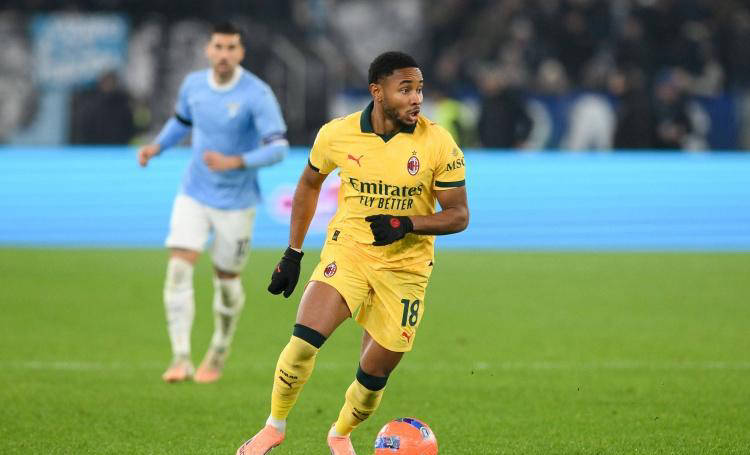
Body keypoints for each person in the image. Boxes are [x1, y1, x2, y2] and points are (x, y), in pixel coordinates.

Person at [235, 51, 469, 455]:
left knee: (374, 376)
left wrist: (405, 224)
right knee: (303, 342)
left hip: (407, 269)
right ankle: (273, 426)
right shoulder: (337, 134)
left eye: (419, 89)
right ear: (377, 92)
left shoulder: (438, 143)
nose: (416, 98)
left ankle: (340, 433)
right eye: (405, 89)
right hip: (349, 253)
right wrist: (293, 253)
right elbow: (309, 184)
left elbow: (459, 215)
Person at [137, 21, 288, 384]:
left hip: (236, 201)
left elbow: (278, 148)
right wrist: (157, 147)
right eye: (218, 47)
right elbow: (181, 121)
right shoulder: (193, 85)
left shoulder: (257, 93)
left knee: (227, 281)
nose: (224, 54)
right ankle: (180, 357)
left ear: (241, 52)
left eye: (231, 47)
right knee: (178, 267)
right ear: (208, 50)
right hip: (194, 191)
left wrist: (236, 161)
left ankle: (219, 347)